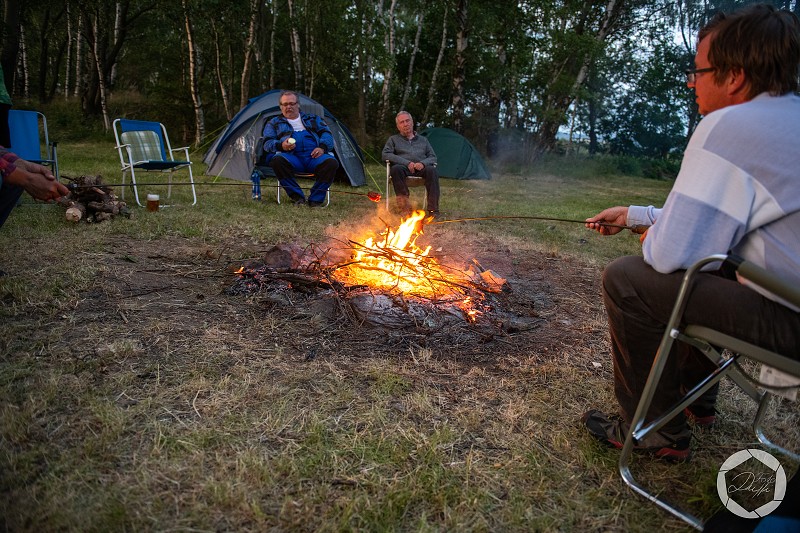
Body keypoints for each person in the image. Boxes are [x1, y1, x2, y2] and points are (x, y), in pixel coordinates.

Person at [581, 3, 800, 461]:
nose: (690, 82)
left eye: (698, 72)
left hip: (789, 320)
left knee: (627, 279)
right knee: (718, 267)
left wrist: (654, 238)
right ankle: (694, 398)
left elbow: (669, 255)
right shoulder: (787, 119)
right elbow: (722, 218)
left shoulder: (731, 126)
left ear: (734, 76)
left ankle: (654, 430)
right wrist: (637, 215)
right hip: (787, 297)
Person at [260, 90, 339, 207]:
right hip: (291, 157)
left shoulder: (314, 119)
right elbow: (267, 143)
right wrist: (281, 145)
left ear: (298, 105)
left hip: (314, 157)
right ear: (280, 107)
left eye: (292, 103)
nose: (289, 107)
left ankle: (316, 199)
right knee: (277, 161)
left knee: (331, 163)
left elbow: (327, 135)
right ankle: (297, 197)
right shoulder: (273, 123)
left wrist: (322, 148)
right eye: (285, 104)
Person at [382, 111, 440, 217]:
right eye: (402, 122)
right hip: (403, 168)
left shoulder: (423, 140)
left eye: (407, 121)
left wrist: (422, 163)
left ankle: (433, 210)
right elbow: (386, 154)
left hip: (421, 169)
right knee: (396, 169)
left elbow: (433, 157)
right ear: (398, 126)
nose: (405, 124)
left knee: (432, 170)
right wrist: (407, 163)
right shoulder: (393, 139)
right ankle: (405, 209)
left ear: (412, 122)